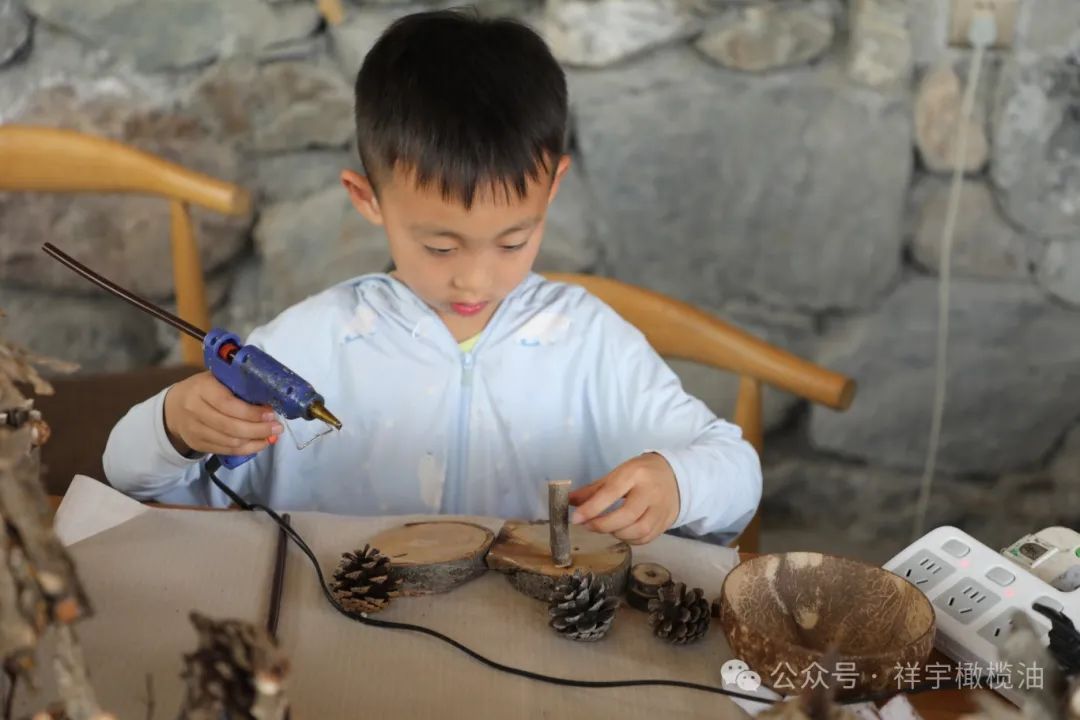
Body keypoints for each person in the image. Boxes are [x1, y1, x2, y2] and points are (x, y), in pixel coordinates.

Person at [103, 9, 761, 545]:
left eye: (514, 240)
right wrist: (173, 426)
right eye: (441, 247)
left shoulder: (589, 342)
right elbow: (133, 484)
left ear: (553, 188)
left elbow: (737, 472)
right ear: (368, 199)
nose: (475, 280)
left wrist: (676, 482)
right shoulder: (312, 343)